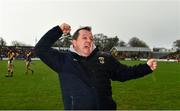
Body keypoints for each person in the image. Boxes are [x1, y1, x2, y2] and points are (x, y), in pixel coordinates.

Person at [35, 23, 157, 110]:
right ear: (74, 42)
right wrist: (58, 30)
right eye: (84, 38)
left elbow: (124, 73)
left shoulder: (105, 58)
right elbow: (40, 49)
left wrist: (146, 67)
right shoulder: (63, 60)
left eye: (91, 38)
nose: (89, 40)